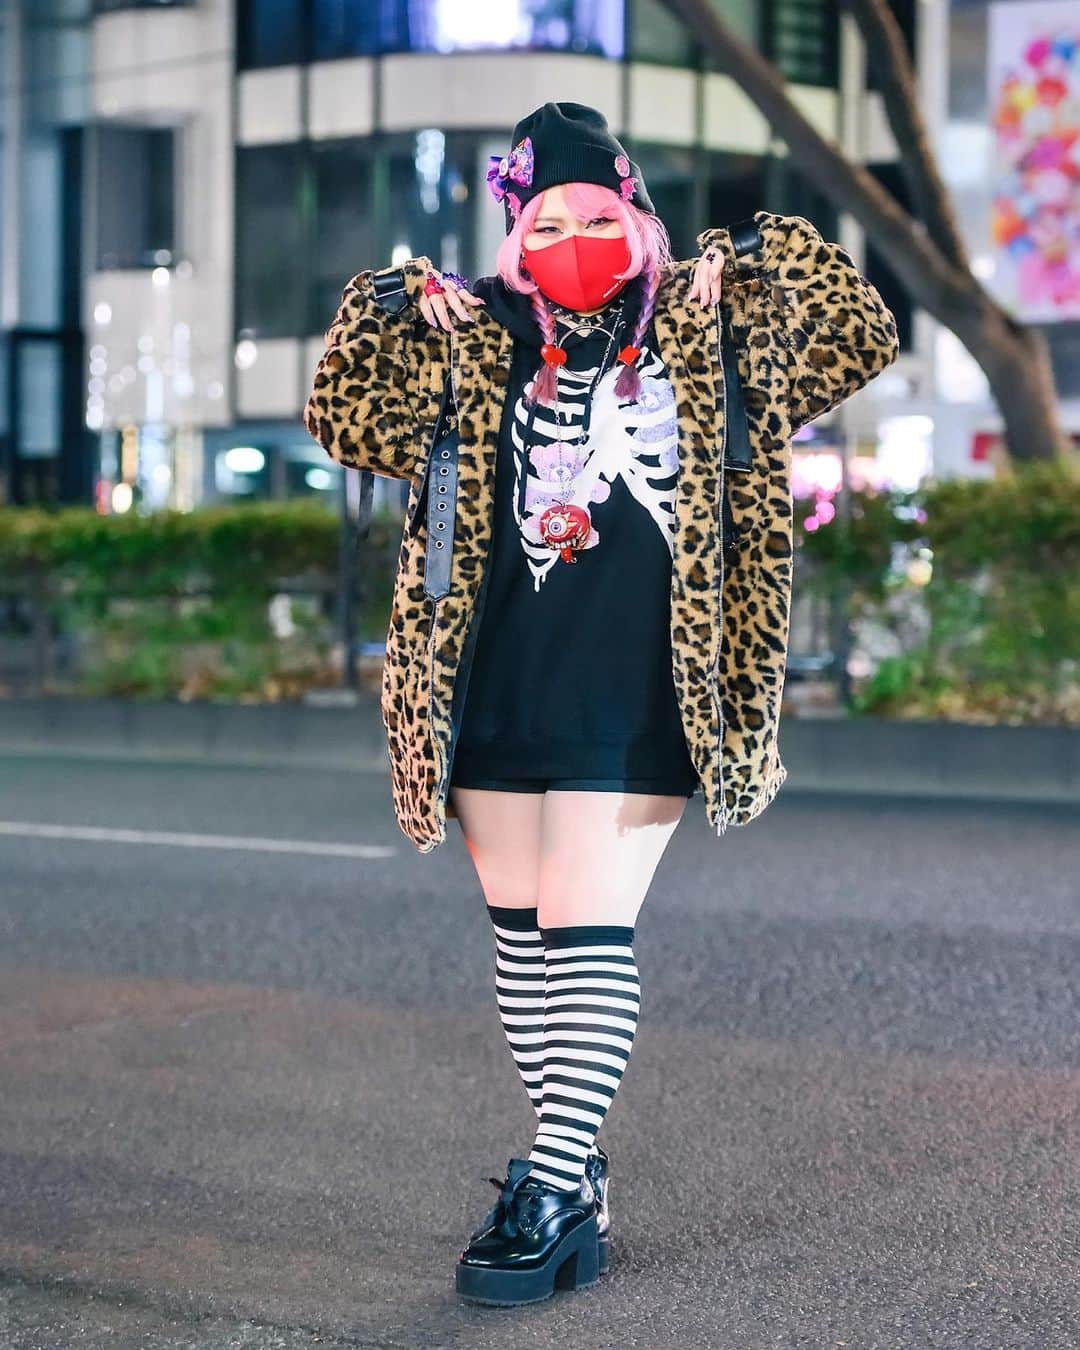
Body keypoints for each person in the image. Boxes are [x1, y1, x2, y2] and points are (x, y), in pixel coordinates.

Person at [303, 101, 900, 1307]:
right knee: (523, 951)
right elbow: (342, 420)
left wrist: (764, 257)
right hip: (495, 675)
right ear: (514, 236)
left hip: (646, 678)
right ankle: (573, 1172)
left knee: (586, 929)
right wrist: (385, 303)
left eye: (597, 215)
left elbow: (860, 334)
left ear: (640, 217)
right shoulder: (470, 337)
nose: (571, 236)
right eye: (545, 220)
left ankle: (556, 1186)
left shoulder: (710, 318)